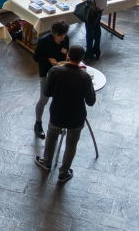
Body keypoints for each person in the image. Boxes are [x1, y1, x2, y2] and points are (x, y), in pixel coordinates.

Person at [35, 45, 96, 183]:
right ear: (81, 59)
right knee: (71, 144)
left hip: (57, 113)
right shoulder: (85, 76)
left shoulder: (55, 71)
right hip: (76, 116)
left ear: (68, 56)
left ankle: (47, 163)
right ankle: (63, 173)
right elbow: (90, 101)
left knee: (51, 138)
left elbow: (47, 93)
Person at [32, 21, 69, 139]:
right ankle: (38, 123)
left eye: (64, 35)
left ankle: (55, 125)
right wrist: (48, 60)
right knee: (43, 99)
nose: (62, 38)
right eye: (60, 35)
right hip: (46, 72)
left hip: (60, 72)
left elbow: (65, 52)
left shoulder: (65, 39)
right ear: (53, 33)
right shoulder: (44, 41)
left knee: (58, 99)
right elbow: (36, 57)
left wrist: (67, 58)